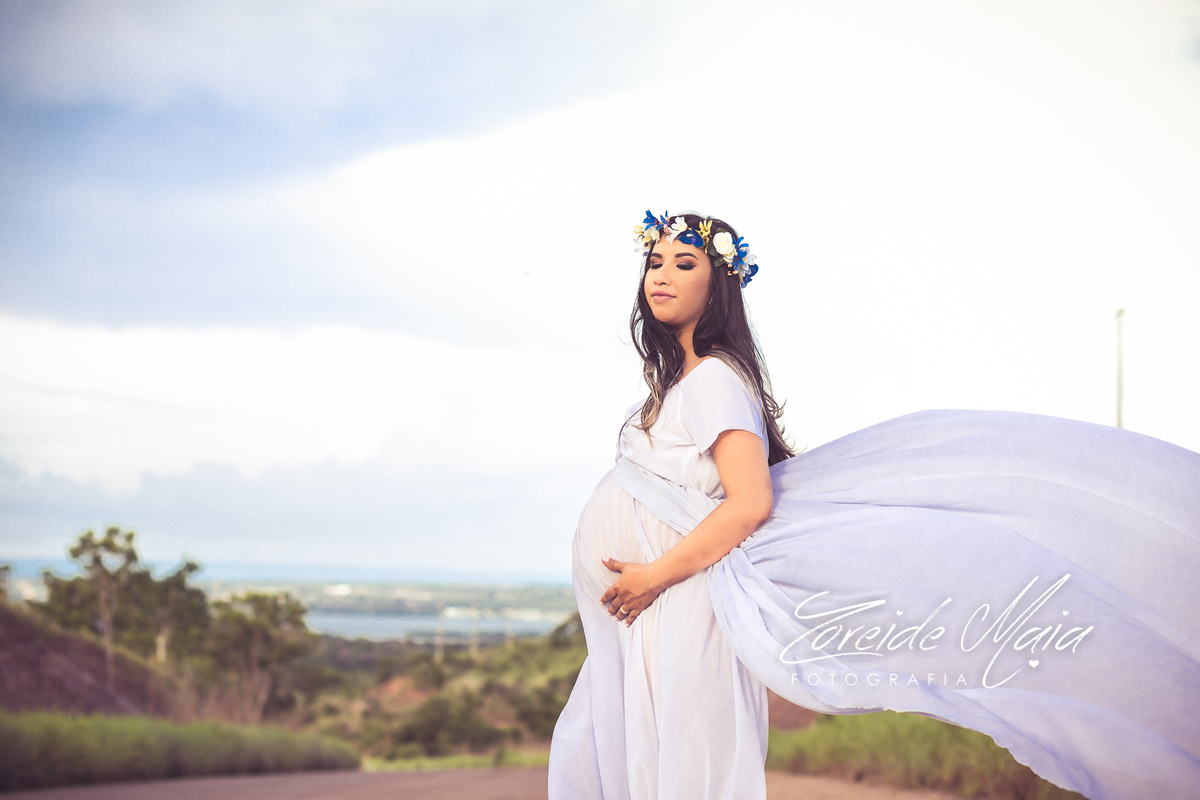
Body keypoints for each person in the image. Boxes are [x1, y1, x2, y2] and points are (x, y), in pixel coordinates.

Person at [547, 211, 1200, 800]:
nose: (661, 275)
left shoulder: (715, 378)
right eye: (654, 262)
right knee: (646, 753)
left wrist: (653, 577)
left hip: (676, 598)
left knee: (685, 759)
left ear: (716, 285)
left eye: (684, 263)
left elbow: (749, 504)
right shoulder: (679, 383)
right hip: (654, 608)